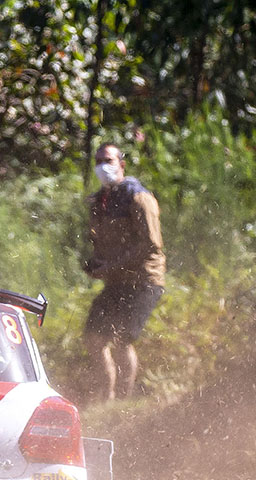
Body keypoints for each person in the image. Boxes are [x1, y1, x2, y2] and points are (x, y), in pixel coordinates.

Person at [82, 143, 165, 401]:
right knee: (94, 338)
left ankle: (123, 401)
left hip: (143, 280)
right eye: (97, 161)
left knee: (121, 341)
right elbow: (103, 241)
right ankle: (106, 398)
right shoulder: (101, 201)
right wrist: (95, 263)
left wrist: (110, 266)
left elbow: (150, 244)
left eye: (107, 160)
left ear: (121, 164)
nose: (102, 166)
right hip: (116, 281)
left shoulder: (138, 197)